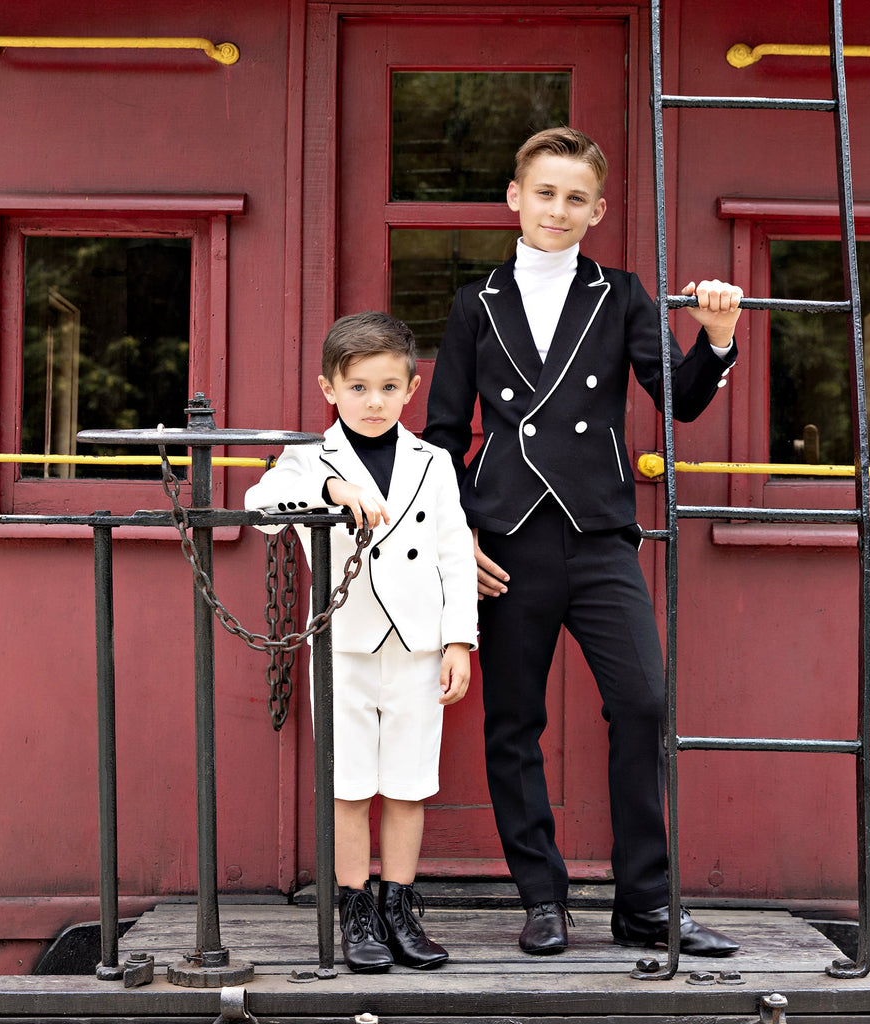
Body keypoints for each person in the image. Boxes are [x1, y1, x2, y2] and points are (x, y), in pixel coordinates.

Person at [423, 126, 741, 957]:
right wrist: (461, 541)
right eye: (544, 193)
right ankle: (542, 897)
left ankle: (645, 903)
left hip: (600, 536)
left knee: (643, 703)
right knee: (512, 722)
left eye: (575, 198)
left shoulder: (622, 294)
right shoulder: (474, 304)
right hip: (507, 545)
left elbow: (679, 400)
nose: (557, 209)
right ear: (514, 199)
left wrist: (715, 339)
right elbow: (444, 436)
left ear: (596, 211)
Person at [246, 311, 478, 972]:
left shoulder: (431, 460)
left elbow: (454, 555)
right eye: (357, 388)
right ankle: (356, 909)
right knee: (349, 785)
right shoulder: (305, 458)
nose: (372, 402)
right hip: (342, 648)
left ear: (411, 389)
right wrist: (329, 485)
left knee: (407, 785)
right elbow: (263, 508)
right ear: (329, 388)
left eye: (387, 387)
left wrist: (459, 641)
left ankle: (399, 908)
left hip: (419, 647)